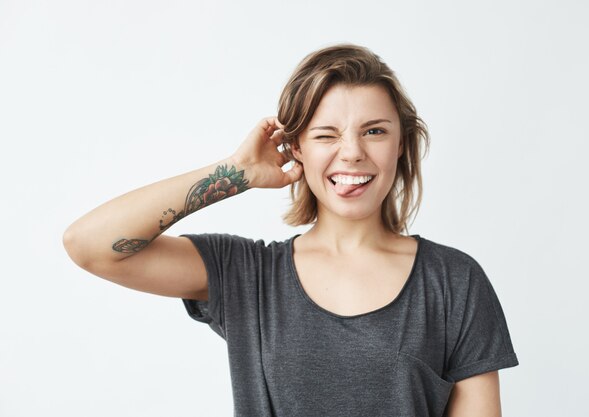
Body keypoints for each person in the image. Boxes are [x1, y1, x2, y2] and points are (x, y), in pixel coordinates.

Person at [63, 43, 519, 417]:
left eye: (375, 131)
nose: (353, 153)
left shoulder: (454, 281)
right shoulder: (247, 275)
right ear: (295, 148)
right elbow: (89, 244)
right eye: (326, 135)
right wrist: (236, 171)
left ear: (401, 144)